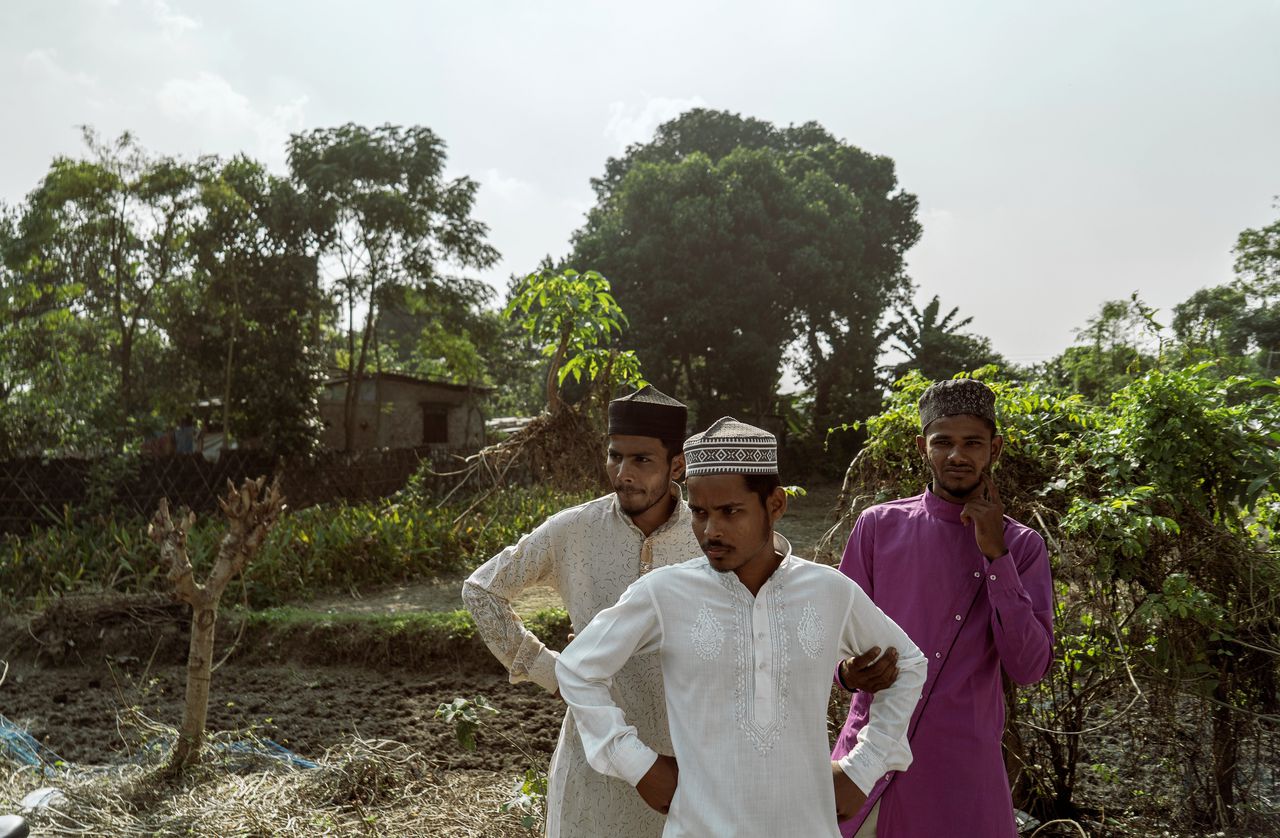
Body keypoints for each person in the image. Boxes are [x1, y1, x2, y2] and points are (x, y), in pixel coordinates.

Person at [557, 418, 926, 837]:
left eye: (730, 512)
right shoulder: (664, 593)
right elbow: (577, 669)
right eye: (700, 513)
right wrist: (637, 764)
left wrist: (864, 767)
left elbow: (909, 664)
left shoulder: (829, 591)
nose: (711, 531)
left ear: (775, 505)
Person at [462, 385, 701, 838]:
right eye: (615, 456)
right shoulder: (573, 530)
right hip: (591, 760)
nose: (623, 473)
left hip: (685, 762)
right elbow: (481, 590)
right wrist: (550, 671)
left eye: (642, 460)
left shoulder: (706, 535)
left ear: (677, 465)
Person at [831, 378, 1055, 837]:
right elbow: (830, 638)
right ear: (923, 448)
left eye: (972, 443)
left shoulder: (1021, 546)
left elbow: (1029, 666)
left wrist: (996, 556)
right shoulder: (878, 527)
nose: (957, 455)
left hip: (961, 775)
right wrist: (847, 674)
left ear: (994, 450)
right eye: (943, 442)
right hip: (867, 759)